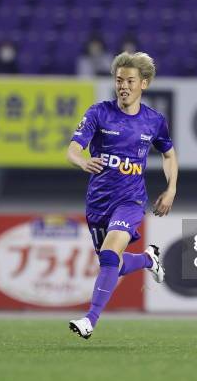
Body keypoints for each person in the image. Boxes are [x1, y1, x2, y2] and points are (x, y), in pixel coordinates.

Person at [67, 51, 178, 339]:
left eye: (130, 80)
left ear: (145, 83)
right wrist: (82, 162)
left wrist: (171, 189)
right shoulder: (98, 113)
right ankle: (147, 260)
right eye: (119, 80)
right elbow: (73, 149)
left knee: (109, 254)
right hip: (98, 203)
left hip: (130, 201)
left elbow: (168, 154)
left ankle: (90, 320)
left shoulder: (154, 121)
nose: (123, 86)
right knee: (111, 262)